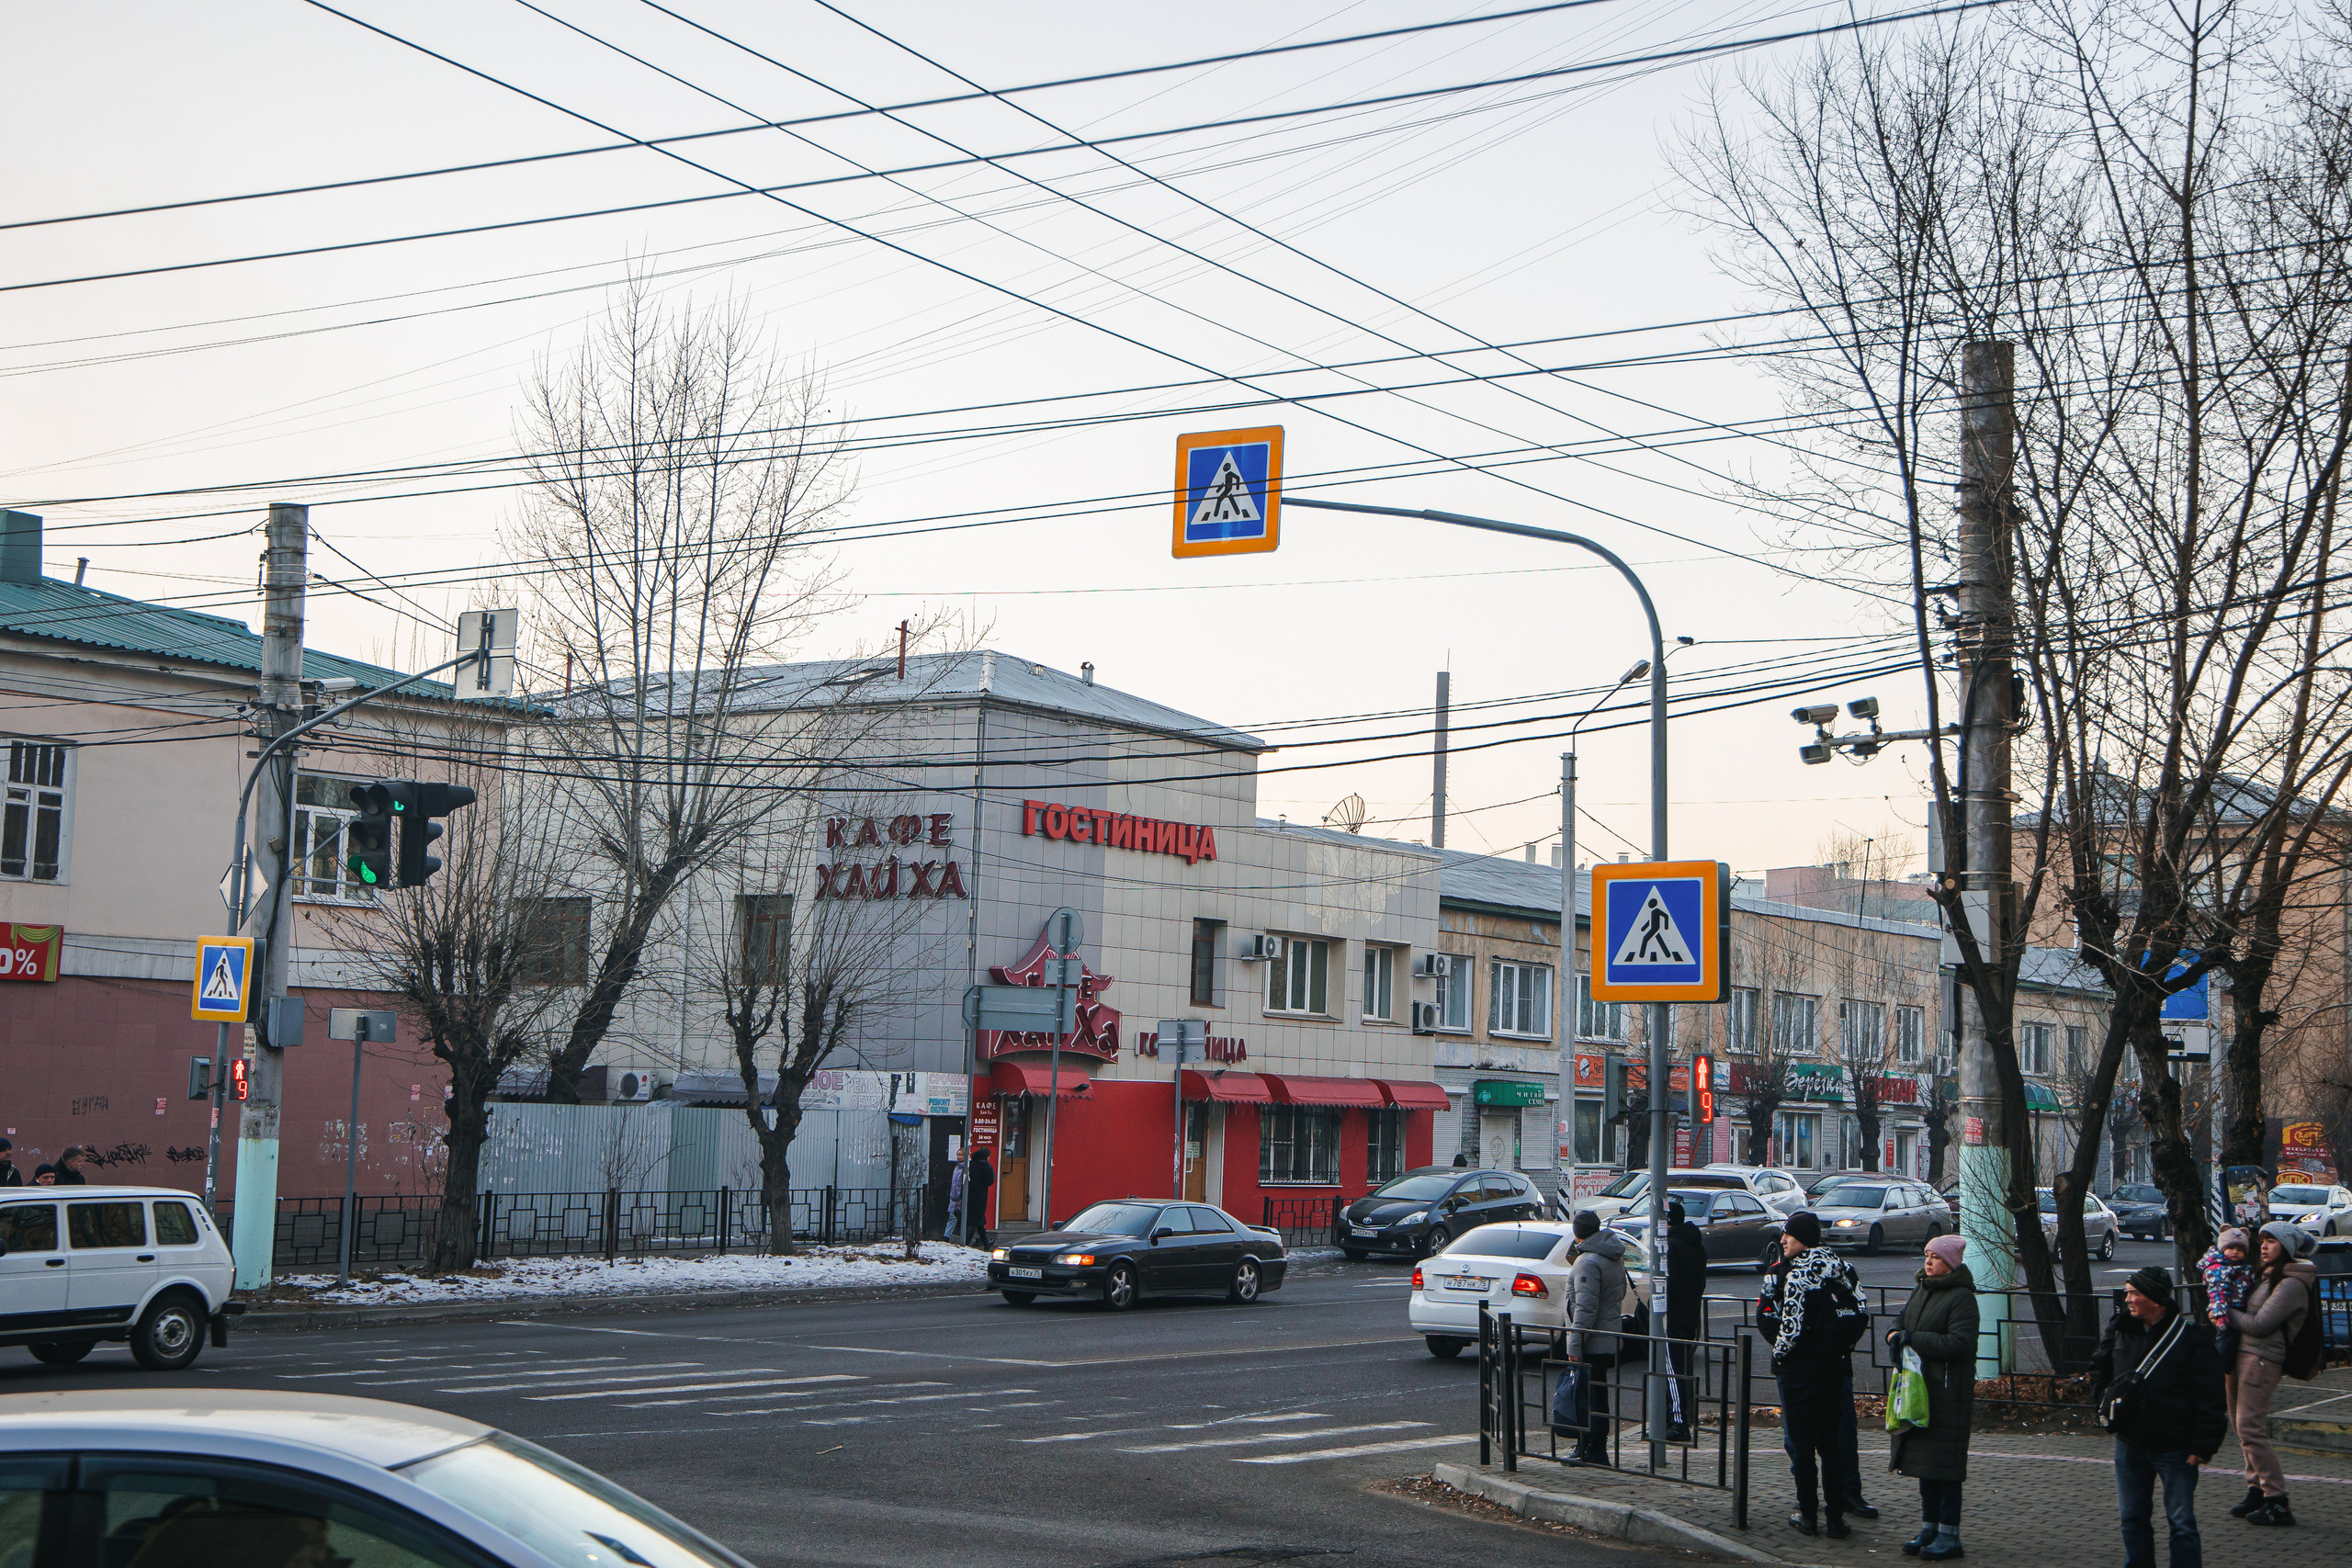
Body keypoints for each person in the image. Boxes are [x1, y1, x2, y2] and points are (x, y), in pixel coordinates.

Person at [2094, 1267, 2227, 1568]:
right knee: (2131, 1517)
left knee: (2181, 1521)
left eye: (2134, 1293)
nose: (2127, 1299)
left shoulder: (2191, 1338)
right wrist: (2102, 1403)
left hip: (2175, 1445)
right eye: (2128, 1292)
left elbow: (2210, 1395)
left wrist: (2204, 1444)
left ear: (2155, 1298)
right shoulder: (2120, 1329)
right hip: (2130, 1442)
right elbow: (2099, 1369)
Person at [1760, 1212, 1860, 1538]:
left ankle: (1807, 1516)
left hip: (1797, 1371)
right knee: (1830, 1445)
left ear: (1802, 1238)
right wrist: (1838, 1346)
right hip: (1832, 1368)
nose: (1783, 1240)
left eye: (1788, 1235)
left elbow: (1768, 1318)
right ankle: (1835, 1520)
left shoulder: (1780, 1274)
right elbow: (1859, 1313)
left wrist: (1784, 1350)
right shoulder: (1840, 1269)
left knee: (1802, 1445)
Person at [2222, 1221, 2319, 1526]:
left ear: (2287, 1247)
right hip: (2240, 1356)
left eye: (2271, 1242)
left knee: (2251, 1429)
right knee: (2240, 1429)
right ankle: (2256, 1491)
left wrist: (2224, 1312)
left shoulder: (2292, 1282)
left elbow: (2261, 1323)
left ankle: (2278, 1500)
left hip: (2262, 1360)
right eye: (2262, 1240)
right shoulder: (2266, 1275)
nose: (2263, 1246)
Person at [1888, 1233, 1979, 1560]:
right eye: (1927, 1255)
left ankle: (1949, 1535)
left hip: (1946, 1393)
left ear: (1951, 1263)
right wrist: (1895, 1333)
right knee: (1925, 1466)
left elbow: (1960, 1344)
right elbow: (1903, 1319)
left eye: (1935, 1257)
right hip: (1921, 1390)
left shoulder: (1961, 1298)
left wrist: (1914, 1338)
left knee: (1945, 1468)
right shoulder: (1923, 1288)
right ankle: (1929, 1527)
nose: (1928, 1261)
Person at [1561, 1209, 1630, 1465]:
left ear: (1577, 1232)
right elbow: (1619, 1293)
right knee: (1595, 1394)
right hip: (1607, 1336)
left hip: (1591, 1341)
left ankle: (1595, 1450)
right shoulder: (1611, 1255)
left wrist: (1575, 1343)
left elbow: (1585, 1307)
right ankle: (1590, 1447)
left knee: (1588, 1397)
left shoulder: (1588, 1261)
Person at [1664, 1197, 1707, 1442]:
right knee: (1679, 1367)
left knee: (1673, 1370)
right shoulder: (1695, 1244)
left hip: (1674, 1318)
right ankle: (1673, 1419)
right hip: (1690, 1315)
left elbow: (1671, 1285)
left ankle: (1679, 1422)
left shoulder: (1672, 1246)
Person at [964, 1146, 994, 1246]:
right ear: (987, 1156)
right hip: (980, 1195)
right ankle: (966, 1242)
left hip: (969, 1194)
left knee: (979, 1219)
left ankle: (986, 1243)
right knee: (975, 1220)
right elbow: (989, 1181)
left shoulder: (971, 1164)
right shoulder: (986, 1166)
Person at [945, 1150, 967, 1241]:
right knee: (952, 1217)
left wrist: (961, 1196)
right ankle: (946, 1236)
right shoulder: (957, 1167)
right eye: (957, 1154)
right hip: (954, 1197)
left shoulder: (965, 1168)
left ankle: (948, 1236)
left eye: (960, 1155)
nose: (958, 1156)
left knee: (960, 1218)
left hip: (960, 1198)